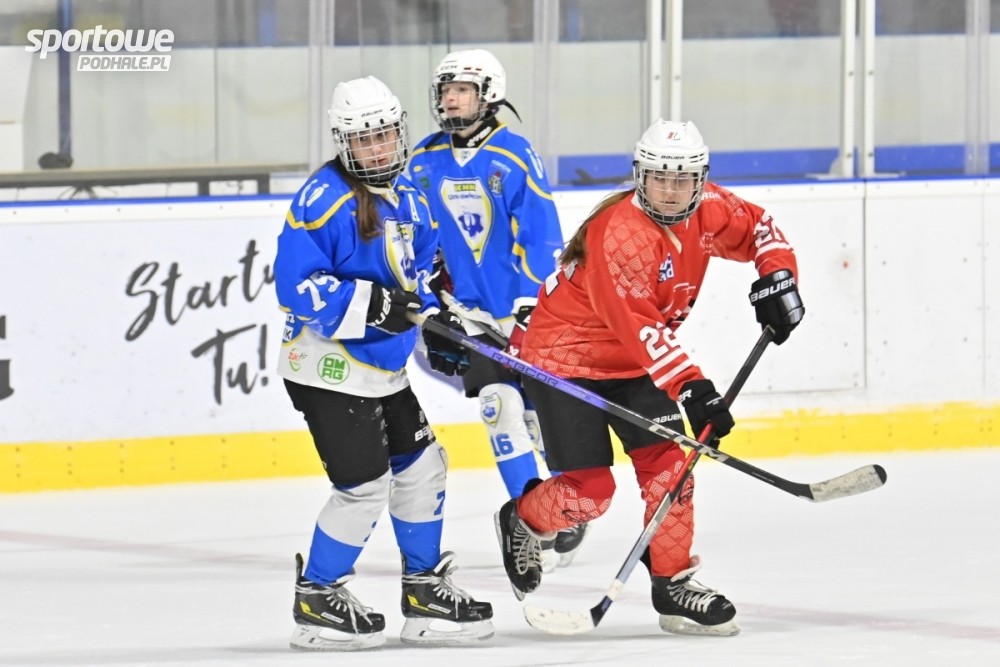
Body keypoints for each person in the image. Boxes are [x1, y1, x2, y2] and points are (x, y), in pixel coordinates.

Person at [495, 119, 804, 636]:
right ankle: (523, 519)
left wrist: (778, 276)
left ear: (700, 179)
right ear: (641, 175)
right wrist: (693, 387)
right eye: (660, 177)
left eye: (682, 179)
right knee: (589, 493)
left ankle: (672, 583)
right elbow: (639, 326)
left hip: (633, 362)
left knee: (671, 472)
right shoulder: (621, 234)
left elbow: (760, 229)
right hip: (565, 359)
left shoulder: (710, 208)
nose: (670, 189)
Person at [273, 75, 493, 651]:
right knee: (364, 485)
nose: (376, 148)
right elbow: (297, 287)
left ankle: (423, 591)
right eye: (363, 139)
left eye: (384, 135)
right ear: (343, 142)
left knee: (423, 468)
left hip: (381, 368)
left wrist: (440, 325)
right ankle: (317, 597)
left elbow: (421, 274)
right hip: (327, 366)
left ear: (400, 132)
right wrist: (375, 305)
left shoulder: (410, 194)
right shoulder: (323, 200)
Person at [408, 48, 587, 570]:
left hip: (524, 315)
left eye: (462, 90)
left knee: (537, 417)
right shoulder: (422, 161)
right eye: (445, 90)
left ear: (488, 95)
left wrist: (534, 305)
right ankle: (534, 526)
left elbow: (542, 235)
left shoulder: (514, 155)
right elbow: (414, 243)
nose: (450, 99)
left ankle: (569, 501)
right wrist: (431, 307)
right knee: (498, 409)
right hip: (468, 315)